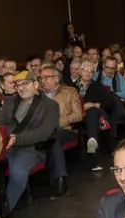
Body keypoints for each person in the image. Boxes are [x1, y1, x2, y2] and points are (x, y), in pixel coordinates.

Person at [0, 71, 60, 211]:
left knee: (18, 173)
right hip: (7, 146)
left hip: (32, 149)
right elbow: (1, 125)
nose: (21, 88)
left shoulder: (50, 106)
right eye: (18, 85)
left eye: (25, 84)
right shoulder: (11, 102)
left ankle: (5, 209)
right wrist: (10, 137)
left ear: (36, 84)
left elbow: (43, 133)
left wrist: (17, 138)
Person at [40, 65, 80, 200]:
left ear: (56, 79)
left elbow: (78, 115)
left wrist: (58, 122)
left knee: (53, 140)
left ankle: (61, 179)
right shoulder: (38, 95)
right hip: (42, 131)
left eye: (46, 77)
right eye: (41, 78)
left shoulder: (69, 91)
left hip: (65, 130)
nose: (42, 80)